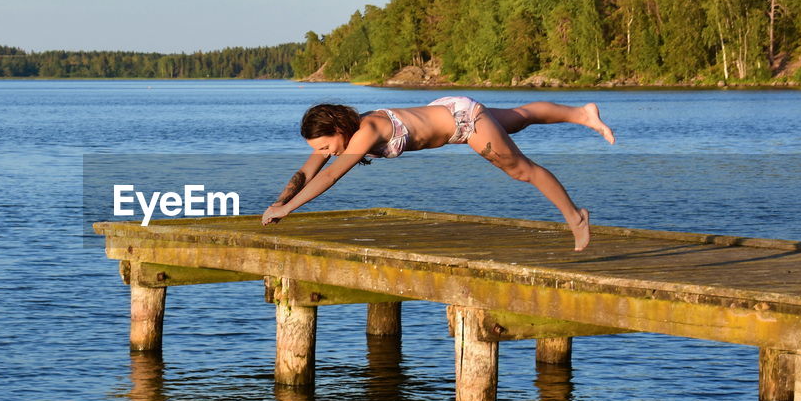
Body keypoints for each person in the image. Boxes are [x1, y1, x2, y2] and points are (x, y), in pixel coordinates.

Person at [261, 96, 615, 251]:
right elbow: (309, 171)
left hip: (463, 122)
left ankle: (576, 216)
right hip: (449, 109)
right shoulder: (348, 134)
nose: (324, 154)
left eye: (325, 146)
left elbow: (330, 177)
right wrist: (278, 202)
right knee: (520, 117)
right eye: (320, 150)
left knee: (522, 171)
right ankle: (583, 114)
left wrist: (289, 210)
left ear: (339, 127)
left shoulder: (366, 129)